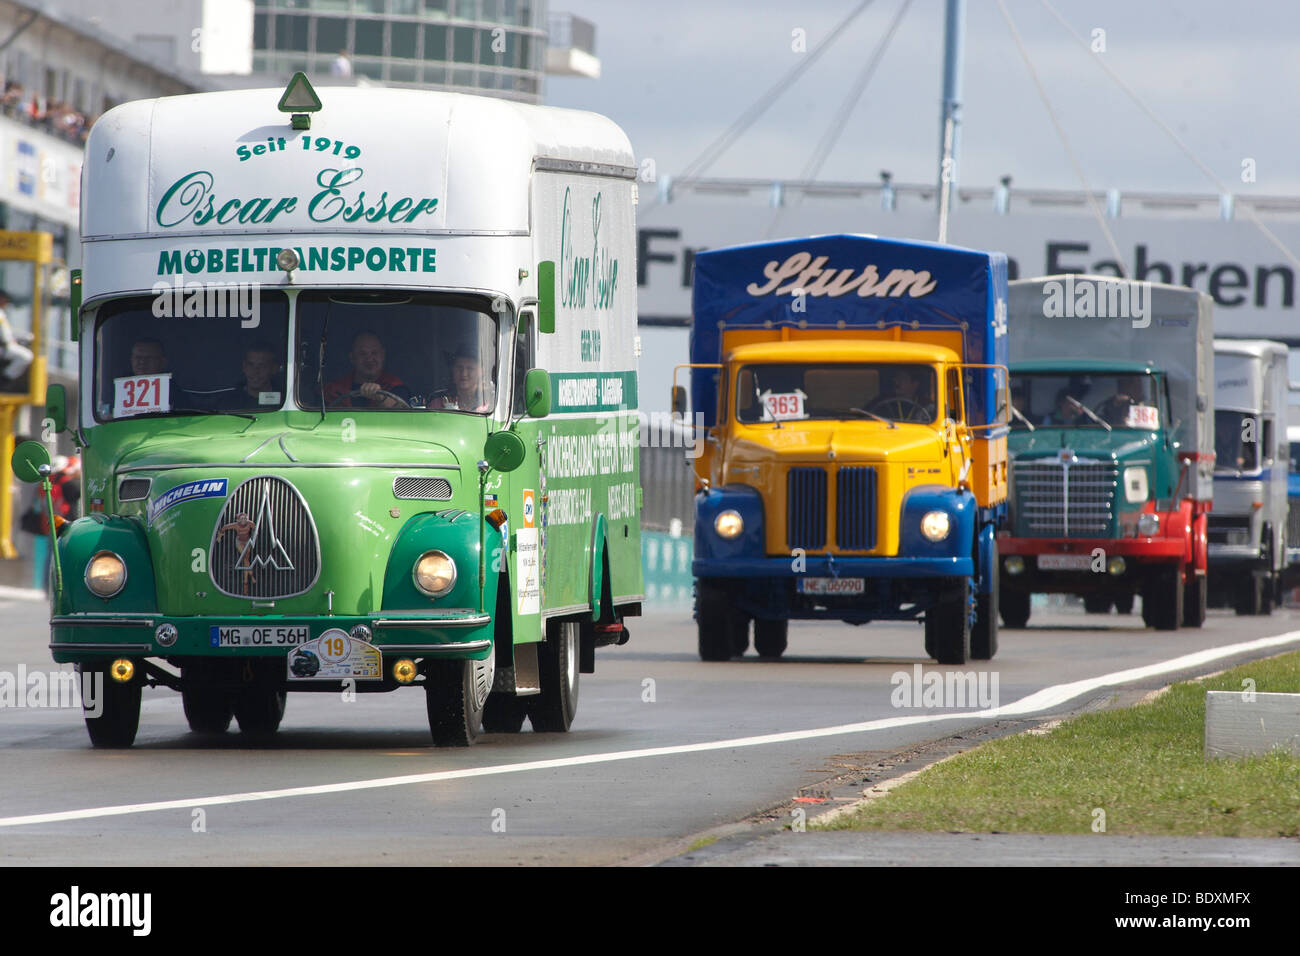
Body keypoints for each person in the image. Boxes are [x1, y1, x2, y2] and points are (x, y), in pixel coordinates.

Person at [323, 331, 411, 408]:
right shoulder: (334, 389)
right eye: (362, 354)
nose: (369, 359)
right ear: (352, 358)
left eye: (374, 353)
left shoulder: (396, 388)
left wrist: (381, 397)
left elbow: (406, 416)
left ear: (383, 355)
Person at [210, 343, 284, 409]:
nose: (255, 371)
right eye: (250, 365)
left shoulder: (285, 400)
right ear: (244, 366)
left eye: (262, 366)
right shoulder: (228, 403)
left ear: (274, 368)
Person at [430, 349, 495, 412]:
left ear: (481, 372)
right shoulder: (437, 404)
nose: (464, 374)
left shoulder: (491, 405)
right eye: (459, 367)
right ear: (453, 370)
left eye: (470, 368)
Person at [0, 288, 34, 387]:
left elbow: (7, 332)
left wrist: (25, 337)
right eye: (4, 299)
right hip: (3, 347)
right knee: (26, 356)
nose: (6, 302)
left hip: (5, 345)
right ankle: (5, 379)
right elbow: (4, 334)